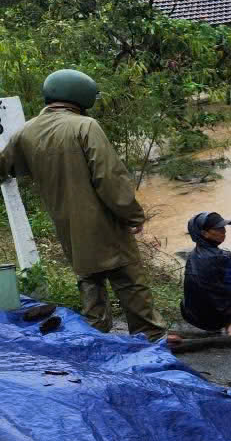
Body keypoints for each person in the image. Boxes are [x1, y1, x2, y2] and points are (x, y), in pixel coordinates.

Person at [0, 69, 167, 340]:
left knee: (89, 281)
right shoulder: (85, 126)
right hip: (104, 223)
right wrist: (133, 215)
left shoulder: (25, 132)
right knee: (129, 281)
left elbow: (3, 166)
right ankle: (150, 338)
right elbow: (109, 177)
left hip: (67, 226)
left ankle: (96, 339)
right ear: (80, 95)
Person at [180, 211, 231, 334]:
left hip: (190, 316)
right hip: (213, 322)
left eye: (223, 227)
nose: (224, 231)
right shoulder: (221, 257)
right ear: (204, 233)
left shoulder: (192, 255)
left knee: (224, 281)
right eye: (218, 228)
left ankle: (226, 320)